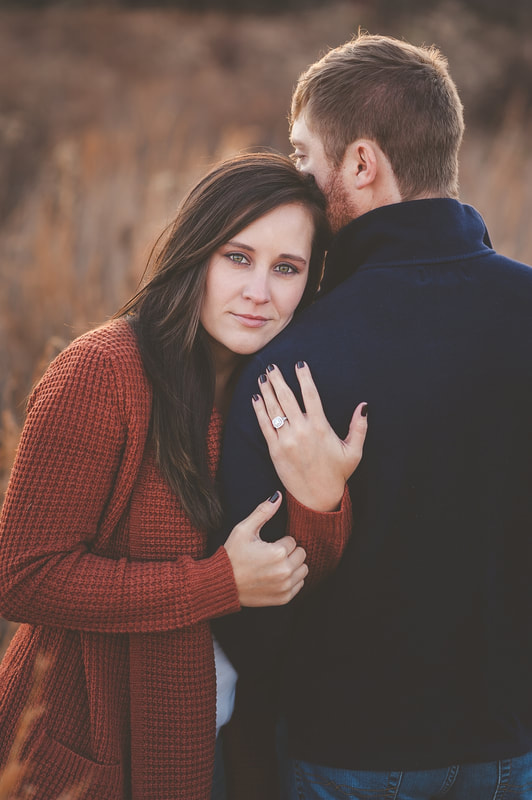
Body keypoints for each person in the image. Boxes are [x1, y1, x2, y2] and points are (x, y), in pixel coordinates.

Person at [212, 34, 532, 799]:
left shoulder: (293, 358)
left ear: (360, 162)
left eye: (302, 154)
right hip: (512, 740)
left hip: (348, 746)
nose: (295, 174)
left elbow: (257, 607)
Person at [0, 152, 369, 800]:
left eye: (286, 268)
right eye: (237, 257)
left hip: (224, 741)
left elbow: (289, 578)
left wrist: (322, 499)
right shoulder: (103, 372)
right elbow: (21, 576)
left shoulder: (280, 389)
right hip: (91, 756)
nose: (259, 291)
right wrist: (215, 583)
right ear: (195, 252)